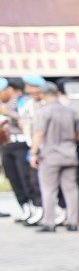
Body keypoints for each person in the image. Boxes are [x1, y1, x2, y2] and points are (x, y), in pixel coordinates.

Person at [30, 81, 79, 233]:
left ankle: (49, 223)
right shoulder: (70, 111)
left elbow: (39, 133)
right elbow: (78, 134)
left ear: (44, 95)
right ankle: (73, 222)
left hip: (50, 155)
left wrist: (33, 153)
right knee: (71, 189)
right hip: (69, 154)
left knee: (48, 189)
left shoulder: (43, 111)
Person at [1, 78, 43, 225]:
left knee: (25, 177)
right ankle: (25, 208)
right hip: (6, 144)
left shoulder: (21, 102)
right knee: (13, 178)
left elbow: (25, 120)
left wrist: (7, 112)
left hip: (21, 144)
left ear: (9, 90)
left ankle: (36, 208)